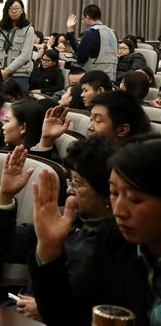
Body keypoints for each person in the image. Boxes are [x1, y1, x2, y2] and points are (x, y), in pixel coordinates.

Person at [29, 135, 161, 325]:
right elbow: (68, 315)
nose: (118, 210)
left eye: (134, 199)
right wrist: (49, 248)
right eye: (114, 193)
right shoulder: (114, 237)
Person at [0, 140, 115, 321]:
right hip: (21, 311)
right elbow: (2, 247)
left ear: (109, 192)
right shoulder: (59, 216)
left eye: (78, 184)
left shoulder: (117, 240)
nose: (69, 190)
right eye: (71, 181)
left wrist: (47, 308)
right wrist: (5, 195)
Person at [33, 91, 151, 151]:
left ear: (122, 130)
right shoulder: (90, 153)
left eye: (98, 121)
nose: (89, 127)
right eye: (91, 119)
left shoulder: (132, 169)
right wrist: (46, 139)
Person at [65, 4, 118, 81]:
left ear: (87, 17)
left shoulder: (91, 32)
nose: (83, 22)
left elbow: (81, 57)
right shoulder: (113, 32)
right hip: (111, 74)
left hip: (94, 77)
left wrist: (70, 30)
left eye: (83, 19)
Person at [0, 0, 35, 91]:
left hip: (19, 74)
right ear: (6, 11)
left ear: (22, 10)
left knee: (17, 99)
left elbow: (25, 55)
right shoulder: (1, 28)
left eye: (17, 8)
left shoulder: (28, 29)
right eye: (10, 8)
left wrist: (7, 71)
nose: (13, 11)